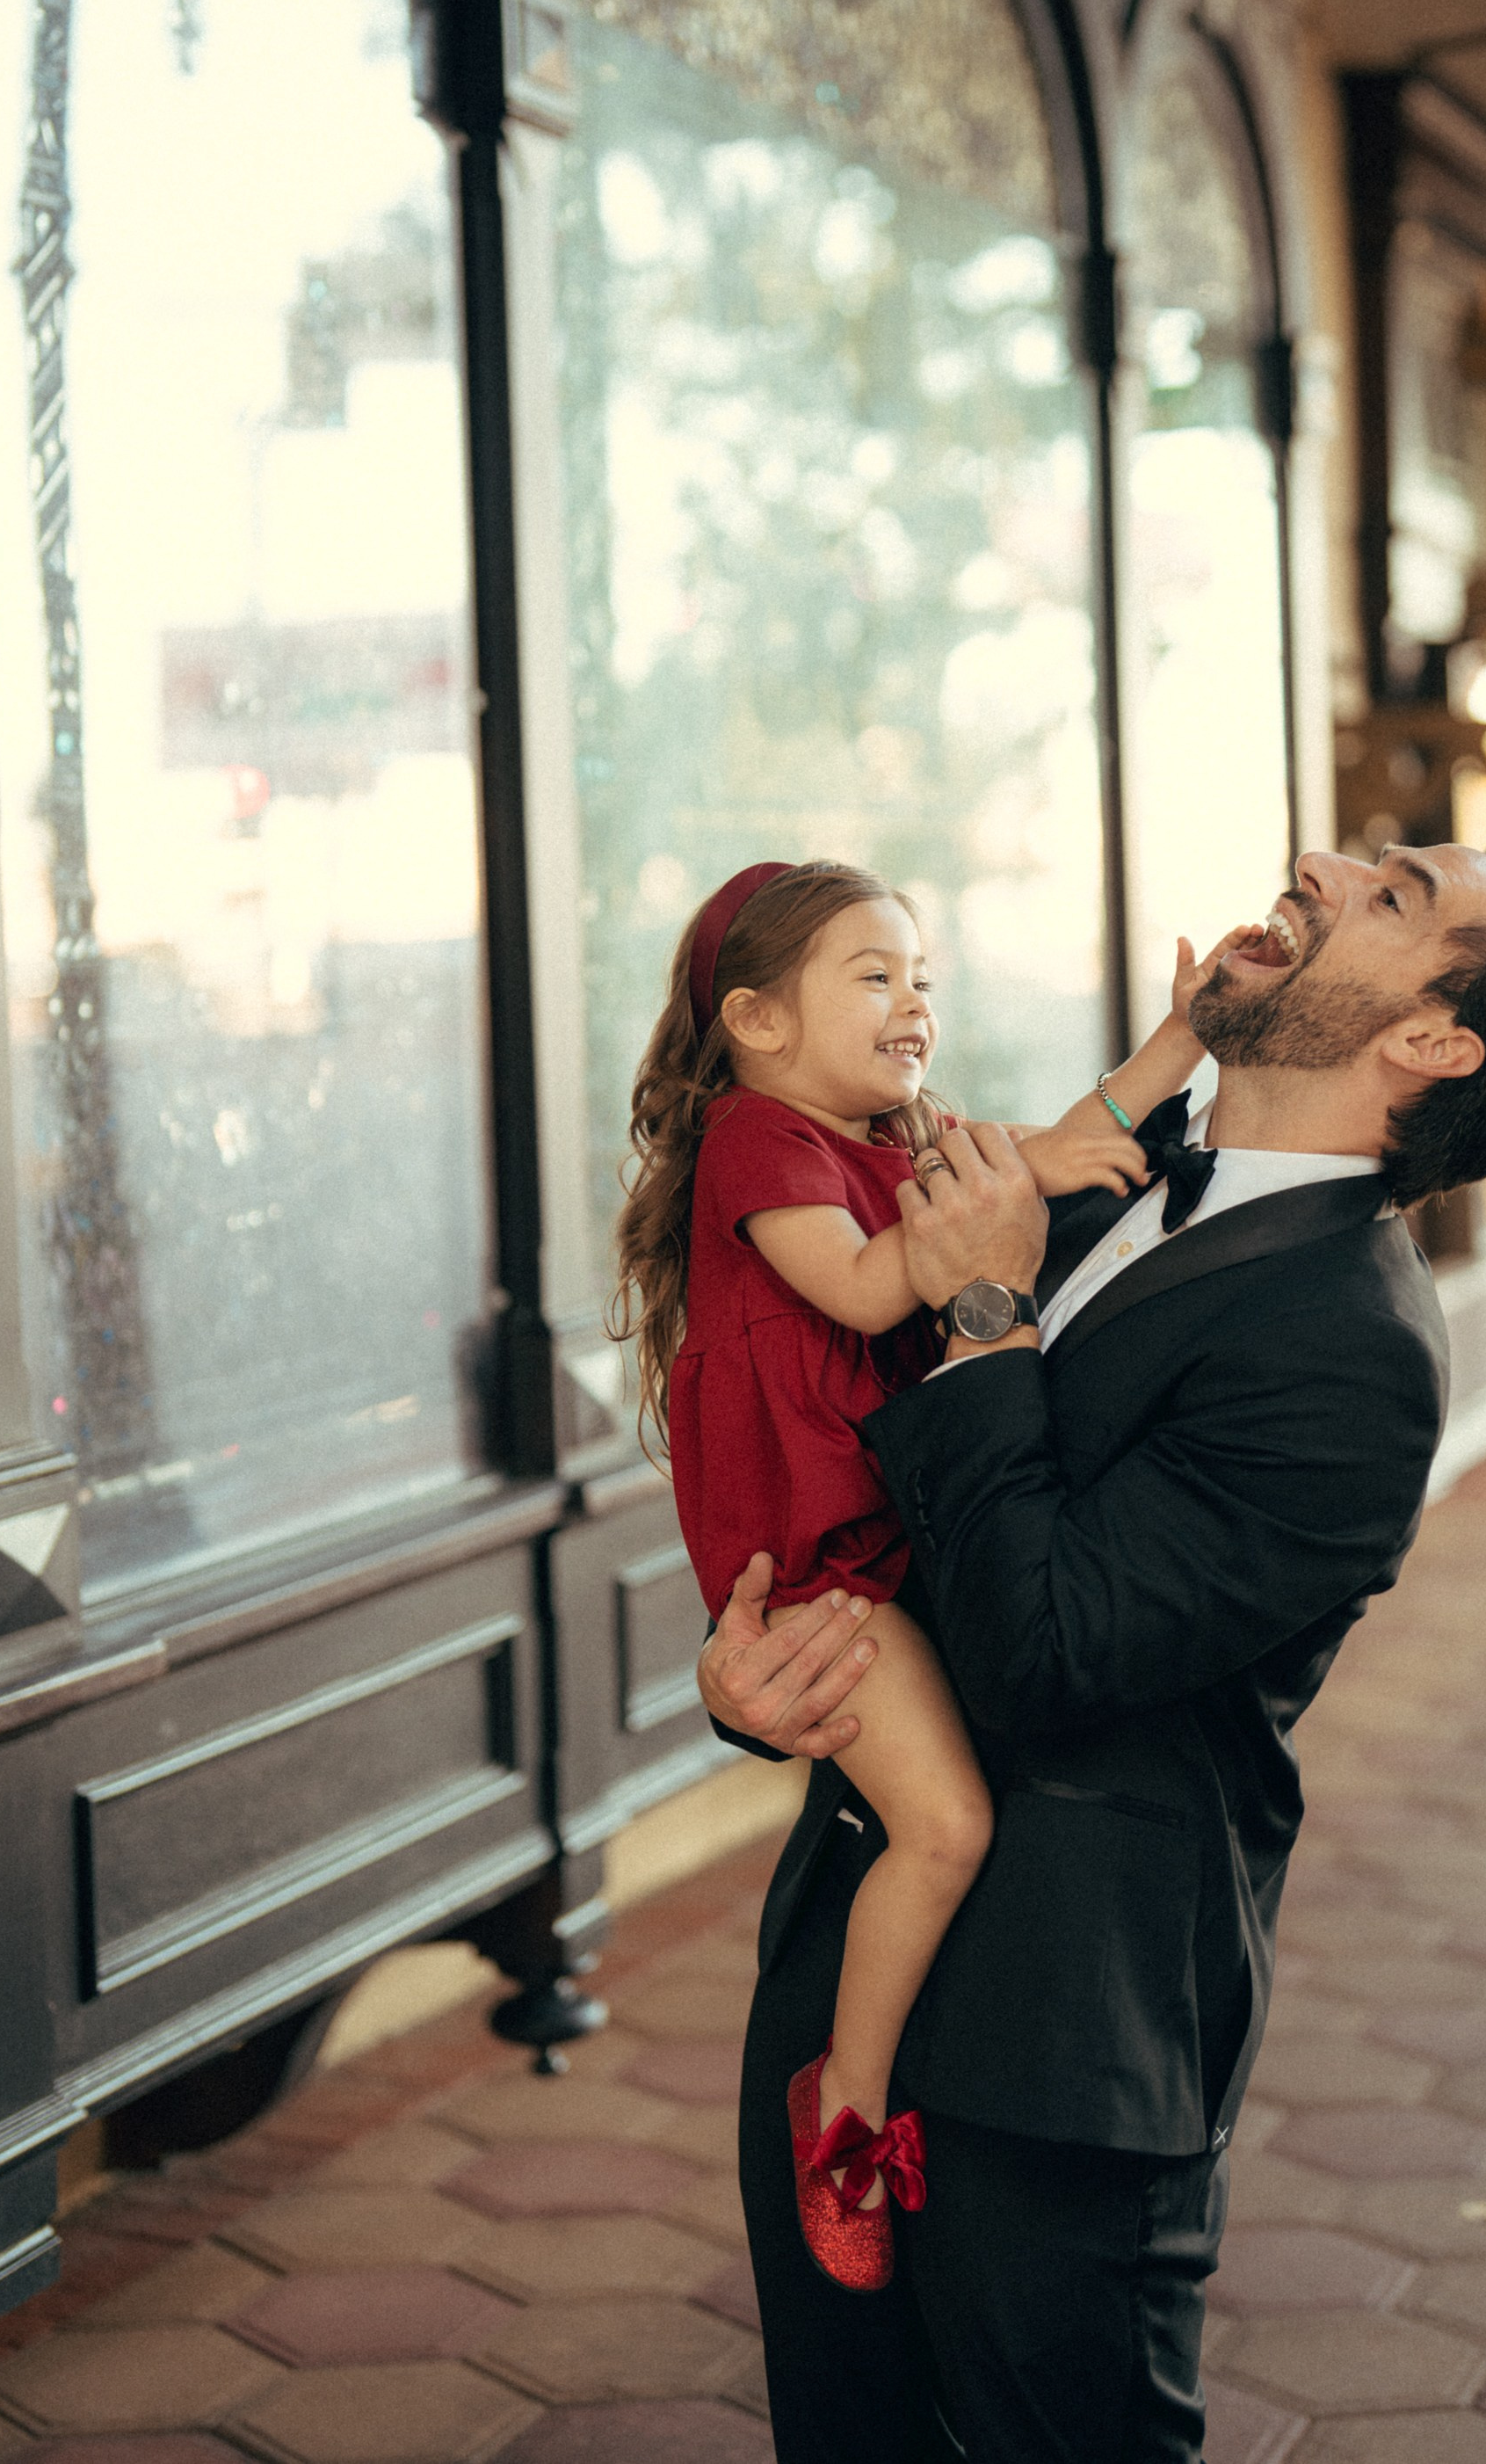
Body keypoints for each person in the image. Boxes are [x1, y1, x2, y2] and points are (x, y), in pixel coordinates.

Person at [700, 839, 1486, 2461]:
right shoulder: (1108, 1175)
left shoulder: (1357, 1349)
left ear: (1433, 1043)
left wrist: (988, 1321)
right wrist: (756, 1683)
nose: (1325, 865)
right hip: (837, 1955)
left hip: (1052, 2043)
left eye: (1395, 894)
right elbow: (874, 1498)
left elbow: (1048, 1646)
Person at [613, 856, 1252, 2290]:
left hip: (898, 1525)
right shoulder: (760, 1139)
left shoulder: (893, 1135)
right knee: (946, 1825)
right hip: (841, 1566)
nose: (914, 1002)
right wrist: (990, 1222)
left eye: (924, 980)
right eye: (874, 975)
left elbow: (1053, 1142)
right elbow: (856, 1284)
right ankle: (843, 2106)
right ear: (759, 1021)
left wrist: (1179, 1047)